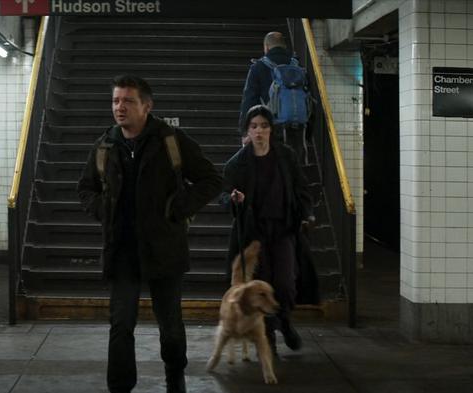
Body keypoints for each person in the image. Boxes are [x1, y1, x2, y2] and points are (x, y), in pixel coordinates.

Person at [77, 75, 222, 393]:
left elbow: (211, 179)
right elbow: (86, 188)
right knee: (121, 326)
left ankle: (175, 377)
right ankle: (120, 387)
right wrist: (105, 210)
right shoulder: (106, 145)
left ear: (147, 105)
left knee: (170, 327)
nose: (119, 107)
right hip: (122, 250)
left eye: (128, 101)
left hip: (163, 248)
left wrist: (179, 207)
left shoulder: (171, 140)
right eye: (116, 101)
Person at [222, 105, 314, 355]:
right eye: (254, 127)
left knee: (285, 282)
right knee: (260, 286)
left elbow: (300, 187)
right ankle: (269, 334)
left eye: (264, 126)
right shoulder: (237, 164)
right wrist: (233, 198)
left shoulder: (285, 155)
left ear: (271, 130)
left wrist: (306, 212)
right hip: (254, 234)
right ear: (247, 132)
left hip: (283, 228)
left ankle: (284, 321)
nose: (259, 131)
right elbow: (223, 193)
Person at [238, 31, 310, 165]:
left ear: (266, 47)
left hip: (270, 127)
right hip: (297, 128)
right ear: (284, 46)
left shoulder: (258, 67)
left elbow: (249, 100)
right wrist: (308, 131)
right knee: (294, 167)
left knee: (271, 168)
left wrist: (245, 130)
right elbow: (309, 99)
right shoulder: (298, 66)